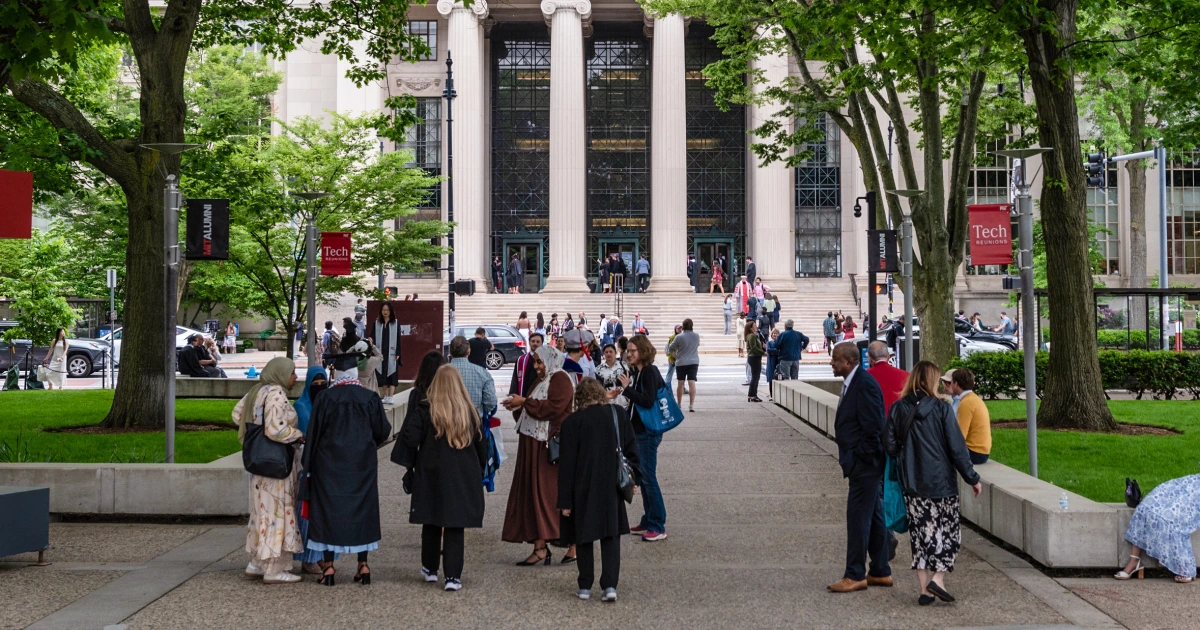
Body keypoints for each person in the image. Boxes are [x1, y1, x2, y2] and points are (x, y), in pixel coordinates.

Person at [885, 361, 982, 605]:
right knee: (948, 533)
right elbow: (957, 447)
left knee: (921, 535)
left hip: (912, 485)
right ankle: (937, 580)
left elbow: (889, 445)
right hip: (941, 484)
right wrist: (972, 477)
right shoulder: (942, 408)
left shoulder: (897, 408)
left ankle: (924, 591)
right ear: (932, 381)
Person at [301, 346, 392, 587]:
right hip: (361, 466)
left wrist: (307, 464)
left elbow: (314, 433)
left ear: (337, 374)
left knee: (328, 511)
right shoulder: (370, 397)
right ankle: (363, 565)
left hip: (328, 467)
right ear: (354, 371)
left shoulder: (325, 398)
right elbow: (384, 431)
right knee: (362, 510)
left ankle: (328, 567)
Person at [397, 365, 489, 591]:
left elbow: (409, 438)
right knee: (455, 524)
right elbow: (482, 447)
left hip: (432, 471)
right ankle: (453, 576)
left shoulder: (426, 409)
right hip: (461, 473)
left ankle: (430, 568)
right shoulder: (469, 411)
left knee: (431, 519)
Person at [558, 377, 642, 602]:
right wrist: (634, 481)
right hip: (612, 484)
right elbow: (631, 450)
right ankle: (610, 586)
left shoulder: (571, 423)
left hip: (582, 485)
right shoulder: (618, 415)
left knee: (584, 535)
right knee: (610, 534)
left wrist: (564, 500)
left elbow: (566, 465)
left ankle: (585, 585)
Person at [501, 344, 577, 564]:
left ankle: (573, 545)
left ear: (550, 360)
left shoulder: (560, 379)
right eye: (534, 362)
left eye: (539, 361)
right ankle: (540, 546)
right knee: (533, 495)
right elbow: (533, 406)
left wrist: (524, 402)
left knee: (550, 496)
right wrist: (518, 405)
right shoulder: (544, 379)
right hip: (533, 446)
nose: (536, 366)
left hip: (547, 448)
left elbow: (555, 407)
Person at [828, 343, 892, 593]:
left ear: (848, 362)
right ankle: (880, 569)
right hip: (863, 464)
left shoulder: (864, 384)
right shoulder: (854, 382)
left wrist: (858, 458)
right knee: (874, 517)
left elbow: (875, 428)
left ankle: (855, 574)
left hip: (865, 465)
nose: (831, 363)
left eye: (835, 359)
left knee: (857, 518)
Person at [233, 357, 303, 584]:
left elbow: (236, 414)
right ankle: (274, 569)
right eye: (292, 372)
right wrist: (298, 434)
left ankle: (256, 562)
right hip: (275, 466)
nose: (295, 377)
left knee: (261, 512)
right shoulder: (276, 394)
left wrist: (253, 430)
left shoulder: (256, 391)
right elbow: (276, 430)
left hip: (258, 464)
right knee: (277, 513)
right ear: (281, 373)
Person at [618, 334, 668, 542]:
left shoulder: (649, 372)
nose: (628, 354)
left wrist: (627, 389)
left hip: (648, 432)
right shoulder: (638, 372)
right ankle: (648, 520)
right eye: (627, 351)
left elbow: (647, 401)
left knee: (648, 478)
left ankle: (658, 524)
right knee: (644, 478)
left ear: (643, 352)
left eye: (632, 351)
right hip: (640, 431)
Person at [1115, 473, 1200, 583]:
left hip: (1195, 497)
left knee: (1173, 519)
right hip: (1190, 484)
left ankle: (1184, 566)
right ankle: (1134, 561)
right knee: (1144, 508)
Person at [292, 366, 330, 575]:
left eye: (322, 384)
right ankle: (308, 558)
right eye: (315, 385)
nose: (320, 388)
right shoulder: (301, 407)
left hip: (326, 466)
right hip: (307, 467)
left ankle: (322, 556)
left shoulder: (328, 404)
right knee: (307, 514)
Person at [941, 368, 991, 465]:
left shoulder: (966, 403)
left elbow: (959, 436)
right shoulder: (973, 398)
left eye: (951, 383)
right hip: (980, 452)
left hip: (974, 453)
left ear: (955, 384)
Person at [448, 336, 497, 421]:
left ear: (450, 351)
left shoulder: (440, 373)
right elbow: (491, 402)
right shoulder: (482, 372)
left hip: (447, 422)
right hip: (475, 421)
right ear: (469, 351)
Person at [866, 341, 908, 416]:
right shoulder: (905, 375)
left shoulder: (865, 376)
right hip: (899, 421)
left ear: (870, 358)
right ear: (888, 356)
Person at [667, 319, 700, 413]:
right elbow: (697, 345)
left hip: (681, 362)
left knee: (680, 383)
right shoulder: (697, 336)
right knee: (692, 382)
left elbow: (670, 348)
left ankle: (679, 404)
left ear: (683, 326)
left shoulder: (679, 337)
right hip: (693, 361)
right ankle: (691, 405)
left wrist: (675, 356)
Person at [372, 302, 402, 404]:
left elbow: (398, 339)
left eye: (387, 310)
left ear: (391, 311)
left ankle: (391, 396)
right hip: (380, 352)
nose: (385, 312)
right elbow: (373, 337)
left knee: (392, 373)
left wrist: (398, 352)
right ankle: (385, 395)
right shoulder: (376, 323)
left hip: (392, 352)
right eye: (384, 310)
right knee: (382, 373)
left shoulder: (396, 323)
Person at [509, 332, 543, 398]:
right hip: (525, 394)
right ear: (529, 342)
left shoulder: (546, 360)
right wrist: (513, 396)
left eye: (538, 342)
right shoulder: (521, 360)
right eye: (533, 341)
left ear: (542, 344)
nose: (535, 343)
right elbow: (515, 380)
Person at [596, 343, 628, 407]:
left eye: (611, 352)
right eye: (606, 352)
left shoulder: (623, 365)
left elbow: (630, 381)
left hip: (622, 399)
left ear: (615, 353)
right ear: (604, 354)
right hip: (607, 400)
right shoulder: (598, 369)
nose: (608, 354)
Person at [745, 321, 764, 402]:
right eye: (754, 325)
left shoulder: (753, 336)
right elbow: (754, 348)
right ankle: (752, 395)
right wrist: (763, 352)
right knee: (755, 377)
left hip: (754, 357)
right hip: (754, 357)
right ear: (751, 328)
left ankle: (753, 394)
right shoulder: (752, 336)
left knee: (756, 377)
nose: (756, 326)